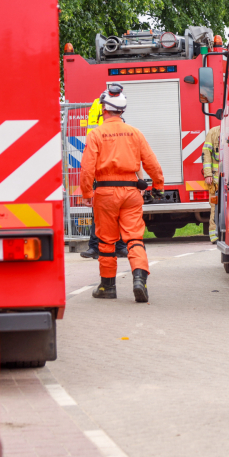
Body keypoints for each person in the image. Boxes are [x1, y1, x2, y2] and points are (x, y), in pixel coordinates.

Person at [80, 90, 164, 301]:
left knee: (106, 241)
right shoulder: (134, 133)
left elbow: (87, 167)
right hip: (131, 192)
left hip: (105, 193)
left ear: (104, 109)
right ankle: (139, 279)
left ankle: (107, 287)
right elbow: (151, 162)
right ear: (122, 110)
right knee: (134, 237)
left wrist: (87, 192)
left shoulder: (96, 134)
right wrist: (158, 185)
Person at [81, 83, 129, 259]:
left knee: (116, 214)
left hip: (111, 171)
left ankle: (118, 247)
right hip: (100, 170)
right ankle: (96, 247)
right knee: (99, 214)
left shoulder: (119, 121)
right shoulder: (99, 109)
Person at [202, 125, 221, 243]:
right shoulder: (213, 132)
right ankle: (214, 235)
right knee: (215, 207)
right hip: (216, 179)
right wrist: (208, 174)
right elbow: (206, 154)